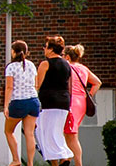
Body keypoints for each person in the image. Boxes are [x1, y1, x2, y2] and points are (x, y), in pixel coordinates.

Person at [33, 36, 72, 166]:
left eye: (45, 47)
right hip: (64, 101)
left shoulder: (45, 64)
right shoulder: (67, 64)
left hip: (49, 102)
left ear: (50, 50)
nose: (44, 49)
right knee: (56, 132)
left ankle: (64, 156)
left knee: (44, 132)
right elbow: (69, 85)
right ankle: (62, 158)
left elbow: (37, 84)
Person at [2, 41, 39, 166]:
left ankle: (16, 160)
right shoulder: (32, 65)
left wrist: (6, 105)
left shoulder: (11, 67)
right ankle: (30, 163)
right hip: (33, 100)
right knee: (29, 134)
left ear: (13, 51)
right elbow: (36, 84)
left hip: (18, 101)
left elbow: (9, 87)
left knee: (8, 131)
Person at [63, 45, 100, 166]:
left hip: (71, 101)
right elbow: (97, 82)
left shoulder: (67, 67)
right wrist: (88, 95)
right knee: (71, 133)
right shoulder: (84, 68)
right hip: (81, 102)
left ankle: (75, 163)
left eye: (63, 55)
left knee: (71, 136)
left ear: (67, 57)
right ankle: (67, 160)